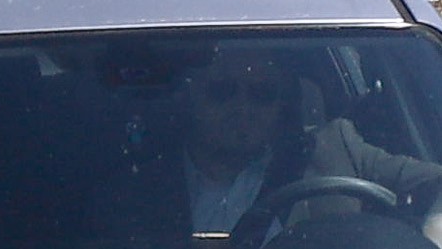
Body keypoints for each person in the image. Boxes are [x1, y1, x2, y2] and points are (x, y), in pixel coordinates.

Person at [156, 46, 442, 244]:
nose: (242, 108)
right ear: (191, 97)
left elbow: (435, 182)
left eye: (262, 94)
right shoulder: (136, 178)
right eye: (222, 91)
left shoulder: (335, 148)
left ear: (282, 105)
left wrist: (434, 231)